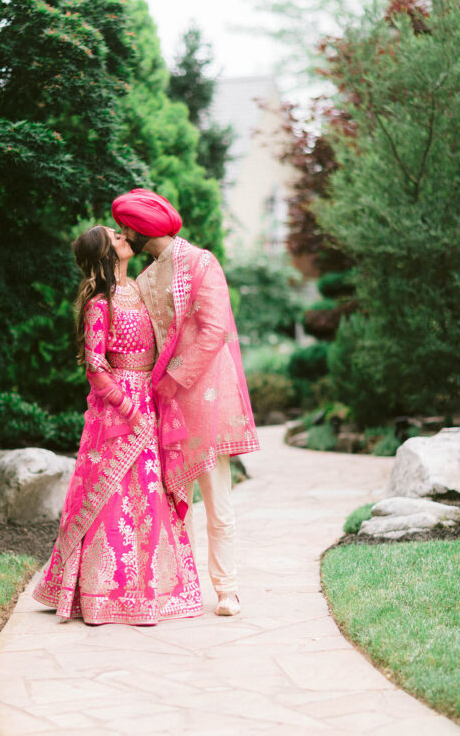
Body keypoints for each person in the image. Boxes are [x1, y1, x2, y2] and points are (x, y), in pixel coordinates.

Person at [33, 226, 202, 625]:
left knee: (149, 494)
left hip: (150, 400)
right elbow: (95, 366)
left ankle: (149, 592)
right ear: (106, 252)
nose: (123, 234)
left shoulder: (140, 291)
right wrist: (129, 408)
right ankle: (100, 594)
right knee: (112, 496)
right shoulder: (98, 302)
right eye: (114, 234)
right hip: (118, 411)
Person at [111, 189, 260, 617]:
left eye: (127, 230)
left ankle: (227, 589)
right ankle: (181, 587)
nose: (124, 235)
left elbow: (214, 330)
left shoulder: (200, 263)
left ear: (142, 231)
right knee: (171, 500)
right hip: (162, 402)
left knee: (217, 497)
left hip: (204, 396)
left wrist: (171, 380)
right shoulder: (142, 280)